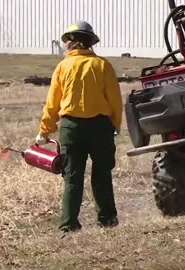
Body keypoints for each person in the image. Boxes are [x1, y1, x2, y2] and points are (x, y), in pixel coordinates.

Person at [36, 21, 123, 233]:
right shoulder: (102, 66)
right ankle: (107, 220)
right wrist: (116, 124)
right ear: (90, 42)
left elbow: (52, 104)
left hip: (71, 128)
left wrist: (44, 132)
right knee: (102, 175)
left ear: (70, 43)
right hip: (100, 127)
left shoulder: (62, 67)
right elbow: (115, 101)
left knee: (72, 177)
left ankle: (68, 224)